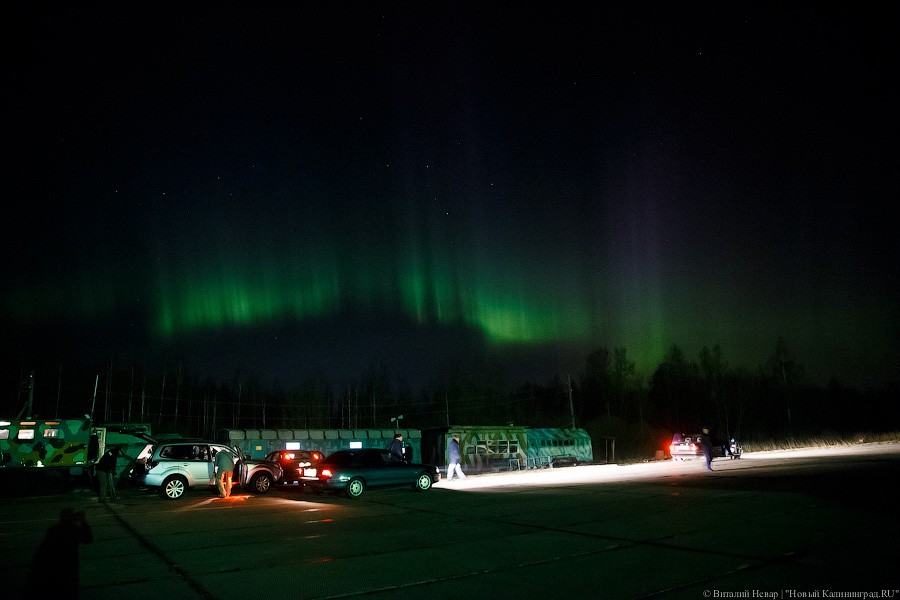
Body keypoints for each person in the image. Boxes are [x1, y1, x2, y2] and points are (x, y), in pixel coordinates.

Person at [27, 508, 93, 598]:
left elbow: (41, 552)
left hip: (54, 569)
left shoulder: (54, 530)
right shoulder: (73, 531)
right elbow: (88, 538)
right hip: (68, 567)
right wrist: (83, 522)